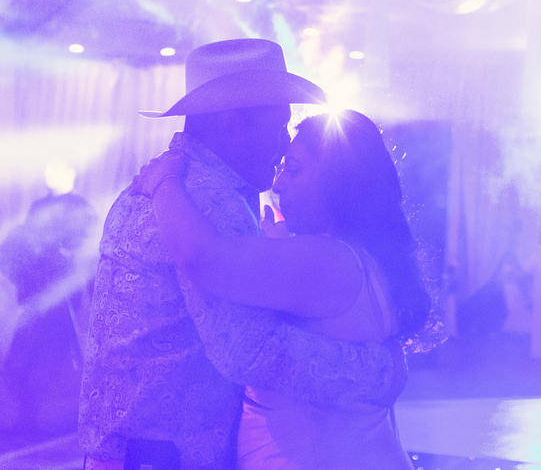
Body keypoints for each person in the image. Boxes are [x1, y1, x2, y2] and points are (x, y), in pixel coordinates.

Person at [78, 39, 407, 470]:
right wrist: (379, 372)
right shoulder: (209, 201)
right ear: (235, 122)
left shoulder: (169, 183)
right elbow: (250, 351)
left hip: (129, 447)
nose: (281, 145)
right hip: (169, 455)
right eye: (278, 125)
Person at [135, 109, 430, 468]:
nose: (277, 184)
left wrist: (163, 182)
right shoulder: (353, 256)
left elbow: (205, 259)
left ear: (340, 182)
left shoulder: (328, 259)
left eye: (293, 169)